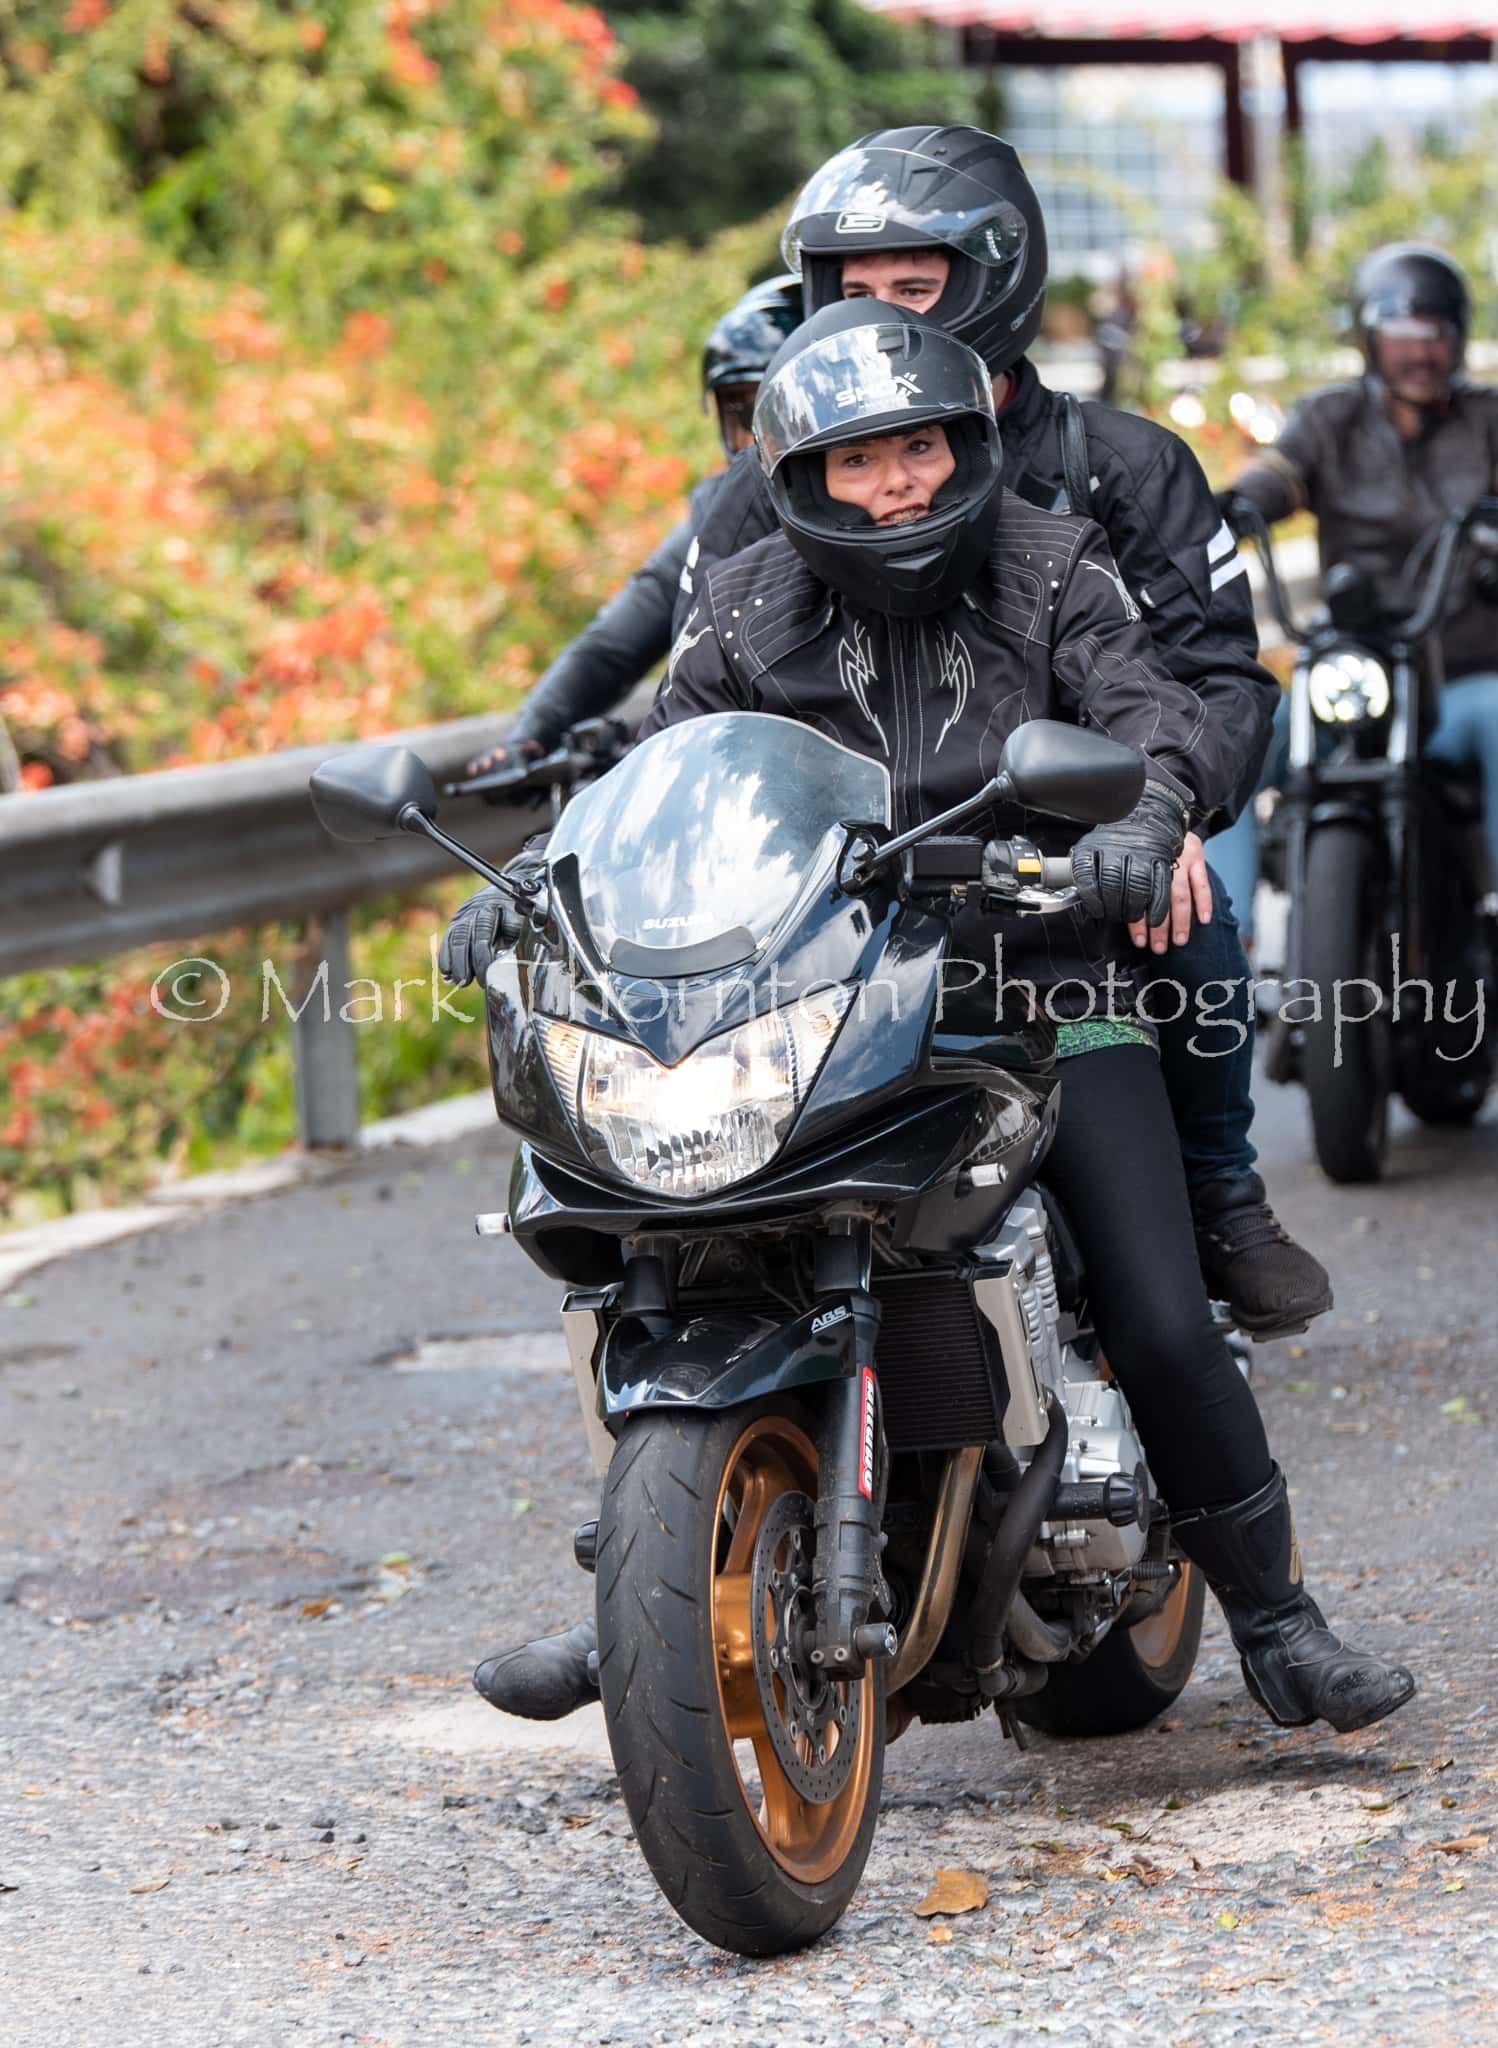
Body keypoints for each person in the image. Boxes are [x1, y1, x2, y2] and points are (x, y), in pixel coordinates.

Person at [449, 306, 1416, 1736]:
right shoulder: (738, 605)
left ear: (966, 442)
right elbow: (659, 780)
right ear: (799, 479)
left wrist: (1143, 818)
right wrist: (538, 885)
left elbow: (1148, 715)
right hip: (821, 993)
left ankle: (1279, 1622)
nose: (897, 482)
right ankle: (642, 1594)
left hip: (1042, 989)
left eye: (918, 447)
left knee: (1157, 1311)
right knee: (676, 1240)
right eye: (860, 462)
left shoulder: (1052, 565)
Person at [678, 125, 1329, 1341]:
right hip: (845, 862)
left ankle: (1220, 1195)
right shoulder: (757, 491)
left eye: (913, 290)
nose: (880, 316)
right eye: (852, 292)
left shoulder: (1124, 464)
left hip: (1086, 833)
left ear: (996, 279)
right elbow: (694, 712)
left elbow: (1222, 683)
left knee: (1188, 909)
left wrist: (1165, 809)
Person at [1218, 242, 1498, 1021]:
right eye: (1402, 334)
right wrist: (1226, 505)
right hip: (1352, 672)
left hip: (1457, 679)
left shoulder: (1492, 414)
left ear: (1458, 339)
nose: (1420, 353)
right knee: (1238, 733)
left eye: (1435, 334)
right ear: (1371, 340)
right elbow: (1277, 474)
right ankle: (1224, 955)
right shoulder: (1331, 419)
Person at [461, 276, 803, 787]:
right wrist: (530, 737)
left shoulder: (889, 512)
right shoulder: (717, 516)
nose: (759, 440)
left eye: (780, 412)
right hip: (725, 783)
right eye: (742, 414)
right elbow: (613, 645)